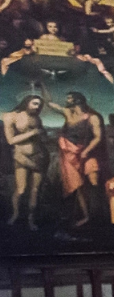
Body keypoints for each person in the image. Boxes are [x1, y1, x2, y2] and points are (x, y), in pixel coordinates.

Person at [57, 92, 105, 228]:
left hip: (88, 154)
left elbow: (98, 137)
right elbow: (50, 104)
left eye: (69, 98)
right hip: (71, 154)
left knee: (94, 183)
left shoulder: (92, 117)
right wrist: (42, 86)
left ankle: (98, 216)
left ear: (77, 101)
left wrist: (86, 151)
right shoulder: (68, 113)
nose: (66, 101)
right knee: (78, 185)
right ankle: (86, 216)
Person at [5, 94, 49, 225]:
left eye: (39, 105)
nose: (37, 107)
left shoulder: (37, 118)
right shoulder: (11, 116)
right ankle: (16, 214)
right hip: (22, 157)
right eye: (34, 103)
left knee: (35, 190)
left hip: (39, 156)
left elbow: (42, 138)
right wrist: (33, 132)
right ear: (26, 102)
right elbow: (11, 140)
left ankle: (31, 218)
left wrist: (44, 136)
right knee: (21, 189)